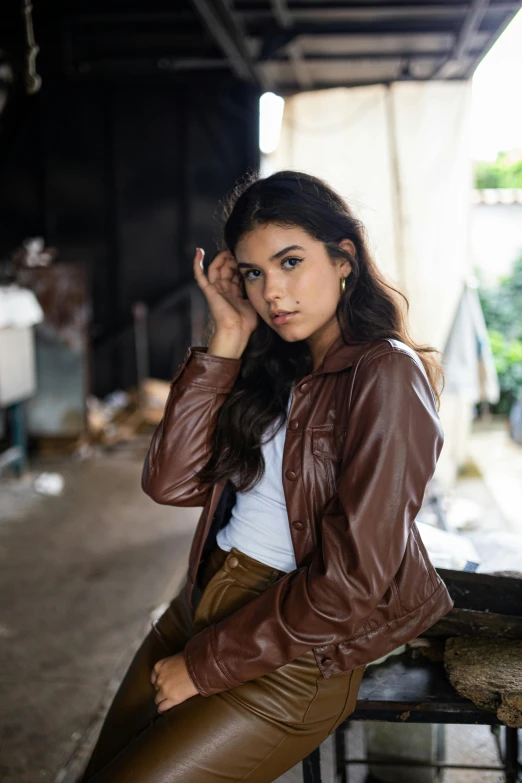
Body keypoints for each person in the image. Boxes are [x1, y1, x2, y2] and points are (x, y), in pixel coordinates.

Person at [80, 170, 454, 782]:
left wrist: (205, 666)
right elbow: (170, 482)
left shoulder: (387, 375)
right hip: (200, 604)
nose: (272, 292)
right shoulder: (275, 361)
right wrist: (226, 338)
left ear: (344, 260)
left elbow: (353, 582)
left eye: (290, 262)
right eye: (254, 273)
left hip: (296, 652)